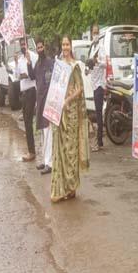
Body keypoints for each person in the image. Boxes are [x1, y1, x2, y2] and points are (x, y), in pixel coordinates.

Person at [50, 35, 90, 202]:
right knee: (62, 150)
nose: (65, 47)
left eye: (67, 44)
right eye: (63, 44)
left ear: (71, 46)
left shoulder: (75, 67)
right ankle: (61, 188)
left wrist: (68, 99)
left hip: (72, 113)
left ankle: (72, 187)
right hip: (60, 113)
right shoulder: (59, 66)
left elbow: (80, 89)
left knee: (71, 150)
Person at [16, 38, 39, 162]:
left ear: (28, 44)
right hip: (23, 91)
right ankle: (31, 149)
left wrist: (27, 73)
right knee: (25, 121)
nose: (23, 46)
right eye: (21, 45)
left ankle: (32, 151)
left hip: (31, 90)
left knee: (29, 121)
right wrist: (16, 64)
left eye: (24, 44)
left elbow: (34, 74)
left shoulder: (33, 56)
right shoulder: (20, 60)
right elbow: (16, 76)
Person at [34, 38, 54, 175]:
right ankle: (44, 160)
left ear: (44, 47)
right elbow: (32, 77)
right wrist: (28, 63)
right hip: (39, 101)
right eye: (38, 48)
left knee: (48, 133)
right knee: (42, 132)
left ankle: (50, 163)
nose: (40, 50)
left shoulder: (50, 62)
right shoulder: (37, 63)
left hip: (48, 102)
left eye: (41, 47)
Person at [86, 23, 106, 151]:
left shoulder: (101, 47)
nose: (95, 35)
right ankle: (99, 141)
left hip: (99, 84)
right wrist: (87, 70)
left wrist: (98, 61)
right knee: (96, 112)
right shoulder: (92, 47)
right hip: (93, 83)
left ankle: (99, 142)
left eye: (97, 32)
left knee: (98, 113)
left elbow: (105, 64)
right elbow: (89, 65)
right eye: (94, 32)